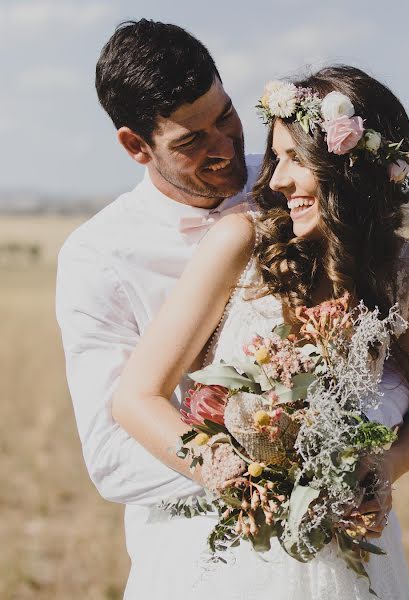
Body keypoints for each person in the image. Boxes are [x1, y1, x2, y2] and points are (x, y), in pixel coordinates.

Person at [111, 66, 409, 598]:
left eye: (295, 159)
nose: (274, 180)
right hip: (233, 553)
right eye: (277, 158)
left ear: (350, 165)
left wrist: (382, 465)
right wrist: (226, 475)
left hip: (348, 553)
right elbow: (135, 397)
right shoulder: (240, 242)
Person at [55, 19, 261, 596]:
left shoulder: (294, 182)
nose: (225, 147)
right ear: (135, 145)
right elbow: (112, 456)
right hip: (195, 558)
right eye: (190, 141)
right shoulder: (97, 257)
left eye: (225, 116)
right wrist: (268, 460)